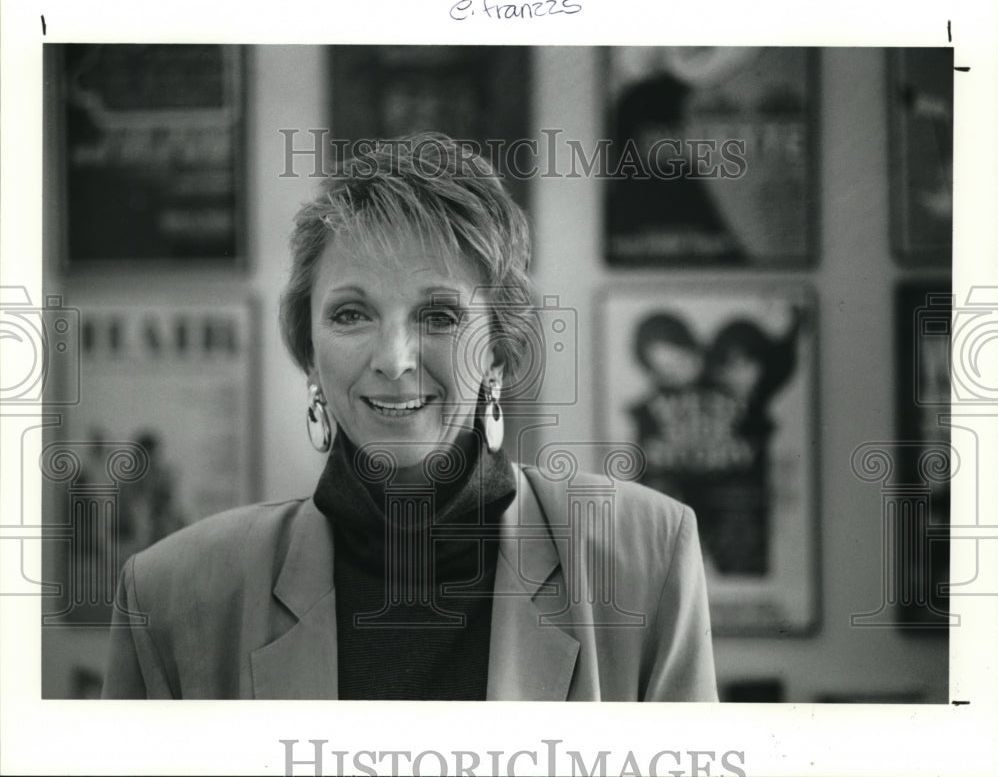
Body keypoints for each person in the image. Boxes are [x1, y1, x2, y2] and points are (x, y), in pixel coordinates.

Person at [101, 134, 717, 700]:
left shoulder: (646, 558)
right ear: (309, 351)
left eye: (440, 316)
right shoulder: (170, 595)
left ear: (498, 353)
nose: (394, 361)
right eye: (350, 314)